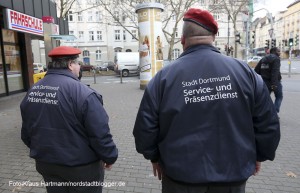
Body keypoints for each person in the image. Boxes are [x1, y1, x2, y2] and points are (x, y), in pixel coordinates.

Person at [133, 8, 280, 193]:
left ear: (183, 40)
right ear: (213, 36)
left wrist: (154, 157)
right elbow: (268, 123)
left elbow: (145, 129)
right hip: (232, 175)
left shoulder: (163, 78)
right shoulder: (246, 73)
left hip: (180, 177)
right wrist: (259, 155)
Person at [20, 46, 118, 193]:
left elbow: (27, 132)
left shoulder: (33, 90)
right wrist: (110, 156)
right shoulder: (84, 94)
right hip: (81, 168)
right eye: (78, 64)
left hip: (46, 164)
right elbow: (99, 133)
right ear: (70, 65)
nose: (79, 67)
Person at [254, 47, 283, 113]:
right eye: (278, 51)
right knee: (279, 97)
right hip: (275, 82)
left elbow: (256, 70)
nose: (280, 53)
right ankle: (274, 113)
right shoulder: (276, 59)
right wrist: (274, 84)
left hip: (264, 82)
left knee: (265, 98)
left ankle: (262, 113)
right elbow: (274, 72)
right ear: (274, 52)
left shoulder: (263, 59)